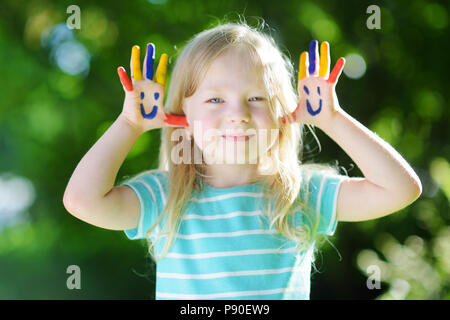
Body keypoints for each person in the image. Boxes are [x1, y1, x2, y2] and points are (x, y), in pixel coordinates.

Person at [63, 22, 422, 300]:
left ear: (285, 113)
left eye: (257, 99)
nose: (237, 114)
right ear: (180, 114)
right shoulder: (165, 197)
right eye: (215, 100)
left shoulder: (300, 193)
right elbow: (82, 201)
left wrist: (332, 118)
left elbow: (400, 189)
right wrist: (129, 124)